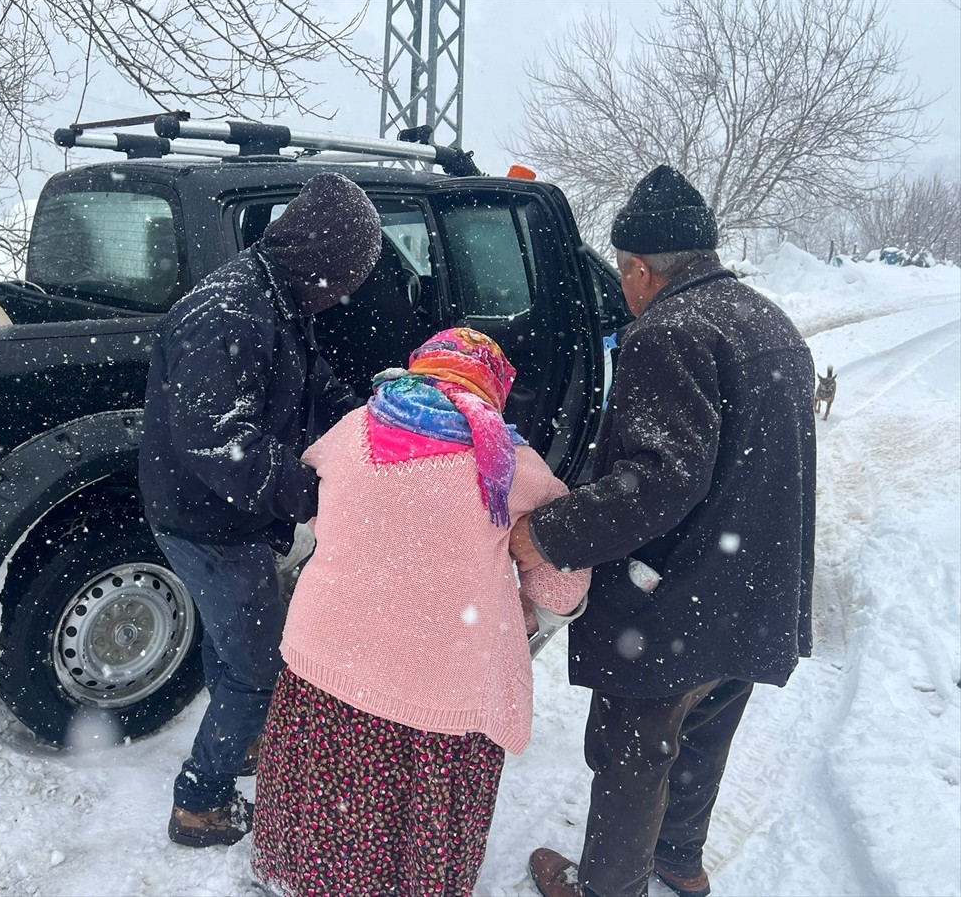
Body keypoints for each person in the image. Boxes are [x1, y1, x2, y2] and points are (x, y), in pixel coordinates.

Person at [513, 165, 817, 897]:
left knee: (634, 755)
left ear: (640, 269)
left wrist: (544, 535)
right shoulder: (767, 321)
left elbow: (653, 483)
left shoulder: (667, 335)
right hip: (751, 590)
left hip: (675, 600)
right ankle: (679, 859)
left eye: (624, 275)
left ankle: (609, 887)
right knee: (705, 732)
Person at [250, 328, 591, 896]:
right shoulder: (510, 464)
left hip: (326, 655)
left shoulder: (355, 427)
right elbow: (561, 587)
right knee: (414, 815)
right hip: (442, 680)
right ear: (493, 387)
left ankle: (305, 879)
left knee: (329, 796)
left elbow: (313, 512)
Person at [138, 171, 382, 847]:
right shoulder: (229, 312)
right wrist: (318, 493)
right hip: (204, 519)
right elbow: (220, 442)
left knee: (233, 642)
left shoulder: (278, 296)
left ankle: (241, 742)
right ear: (323, 260)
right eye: (349, 275)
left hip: (229, 515)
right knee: (260, 665)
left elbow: (311, 385)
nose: (351, 292)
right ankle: (202, 802)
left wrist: (370, 424)